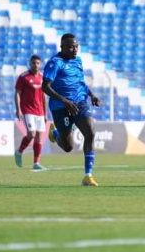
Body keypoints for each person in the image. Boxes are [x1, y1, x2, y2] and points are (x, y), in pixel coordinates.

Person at [43, 33, 101, 187]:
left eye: (76, 46)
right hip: (60, 106)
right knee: (68, 147)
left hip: (80, 102)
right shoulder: (54, 63)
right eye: (70, 46)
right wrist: (64, 100)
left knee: (90, 133)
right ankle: (55, 134)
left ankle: (88, 175)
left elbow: (80, 82)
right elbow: (45, 87)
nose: (74, 49)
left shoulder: (78, 60)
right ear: (61, 47)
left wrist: (91, 95)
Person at [14, 54, 46, 171]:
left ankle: (36, 163)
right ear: (30, 63)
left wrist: (45, 114)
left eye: (38, 63)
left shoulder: (42, 77)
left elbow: (43, 97)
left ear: (40, 64)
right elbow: (17, 93)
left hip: (40, 112)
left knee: (39, 137)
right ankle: (19, 152)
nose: (36, 65)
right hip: (28, 110)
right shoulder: (23, 77)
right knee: (31, 134)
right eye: (33, 63)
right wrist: (18, 110)